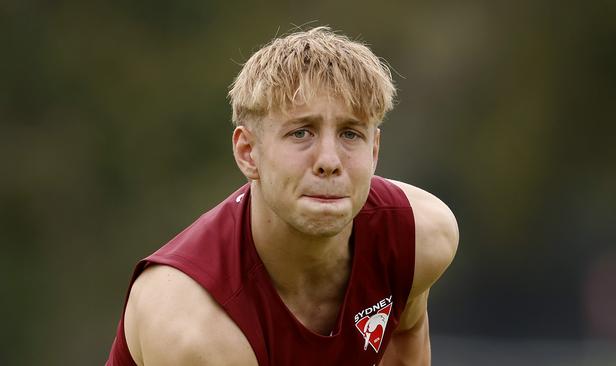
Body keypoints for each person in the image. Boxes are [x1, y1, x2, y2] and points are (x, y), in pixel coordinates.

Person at [106, 26, 458, 366]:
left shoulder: (419, 237)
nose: (329, 162)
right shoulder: (194, 325)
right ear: (248, 153)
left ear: (375, 150)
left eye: (350, 134)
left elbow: (404, 338)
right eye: (301, 133)